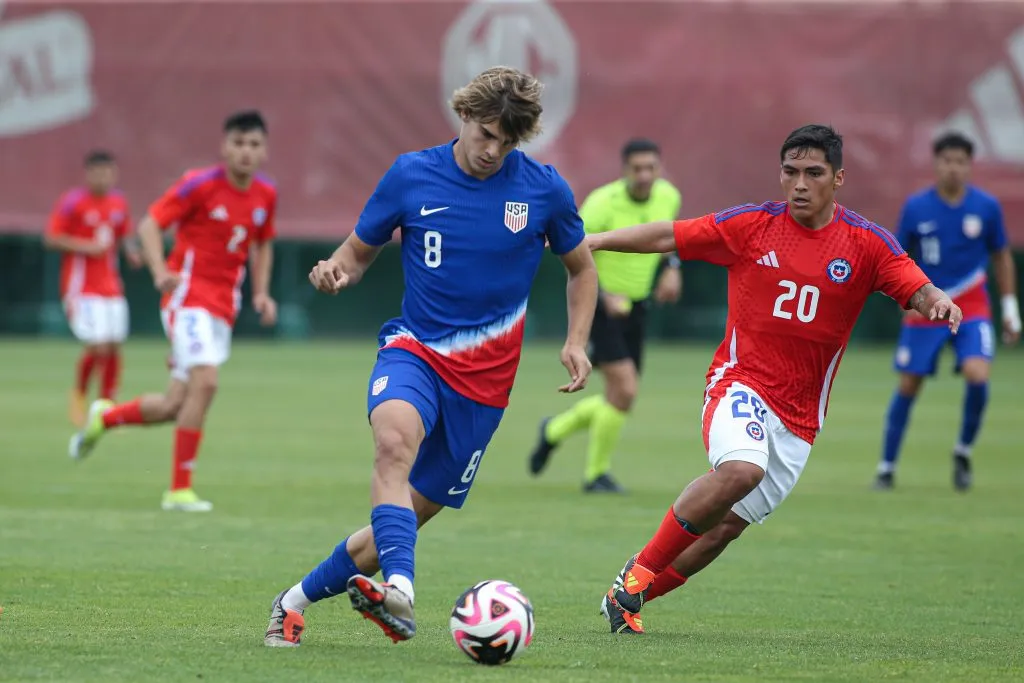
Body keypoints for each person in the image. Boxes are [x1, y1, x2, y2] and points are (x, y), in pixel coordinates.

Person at [263, 66, 598, 648]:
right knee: (393, 444)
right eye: (486, 133)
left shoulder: (544, 190)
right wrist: (335, 273)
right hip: (414, 351)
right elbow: (356, 253)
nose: (493, 150)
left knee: (393, 529)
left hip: (485, 389)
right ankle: (403, 593)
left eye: (507, 140)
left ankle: (291, 604)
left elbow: (582, 269)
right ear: (464, 117)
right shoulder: (411, 174)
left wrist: (575, 340)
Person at [585, 124, 962, 635]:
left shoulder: (866, 243)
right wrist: (597, 240)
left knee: (723, 531)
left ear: (838, 178)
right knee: (741, 471)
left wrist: (935, 299)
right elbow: (669, 234)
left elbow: (914, 285)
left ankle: (629, 597)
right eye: (791, 172)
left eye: (814, 173)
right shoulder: (752, 226)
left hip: (801, 419)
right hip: (739, 384)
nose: (800, 184)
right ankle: (640, 569)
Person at [67, 110, 279, 512]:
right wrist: (160, 270)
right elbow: (149, 225)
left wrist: (262, 293)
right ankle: (178, 490)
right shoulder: (199, 185)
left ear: (264, 150)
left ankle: (104, 419)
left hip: (222, 307)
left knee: (174, 404)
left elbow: (263, 242)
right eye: (238, 143)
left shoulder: (265, 194)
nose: (246, 152)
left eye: (254, 145)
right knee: (208, 381)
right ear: (224, 146)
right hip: (187, 299)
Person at [528, 137, 683, 493]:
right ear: (624, 170)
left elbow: (666, 237)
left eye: (651, 168)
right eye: (637, 169)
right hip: (599, 307)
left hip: (638, 306)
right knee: (625, 389)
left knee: (620, 396)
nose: (644, 176)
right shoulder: (601, 202)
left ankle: (553, 430)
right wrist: (606, 293)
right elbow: (575, 250)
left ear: (659, 169)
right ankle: (596, 475)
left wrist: (672, 267)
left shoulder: (668, 196)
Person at [874, 132, 1020, 492]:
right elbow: (896, 257)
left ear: (969, 166)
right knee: (909, 383)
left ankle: (963, 451)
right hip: (928, 305)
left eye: (960, 161)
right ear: (936, 164)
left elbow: (1001, 256)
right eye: (946, 161)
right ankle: (886, 467)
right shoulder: (916, 206)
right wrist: (905, 301)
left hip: (972, 306)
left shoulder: (986, 207)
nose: (953, 168)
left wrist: (1010, 308)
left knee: (977, 374)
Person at [44, 150, 142, 426]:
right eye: (98, 172)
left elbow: (125, 236)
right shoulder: (73, 202)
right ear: (87, 174)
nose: (104, 178)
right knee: (98, 345)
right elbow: (51, 238)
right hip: (81, 288)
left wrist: (133, 253)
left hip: (111, 287)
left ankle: (108, 410)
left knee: (113, 345)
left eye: (109, 172)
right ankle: (79, 394)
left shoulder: (119, 202)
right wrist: (86, 247)